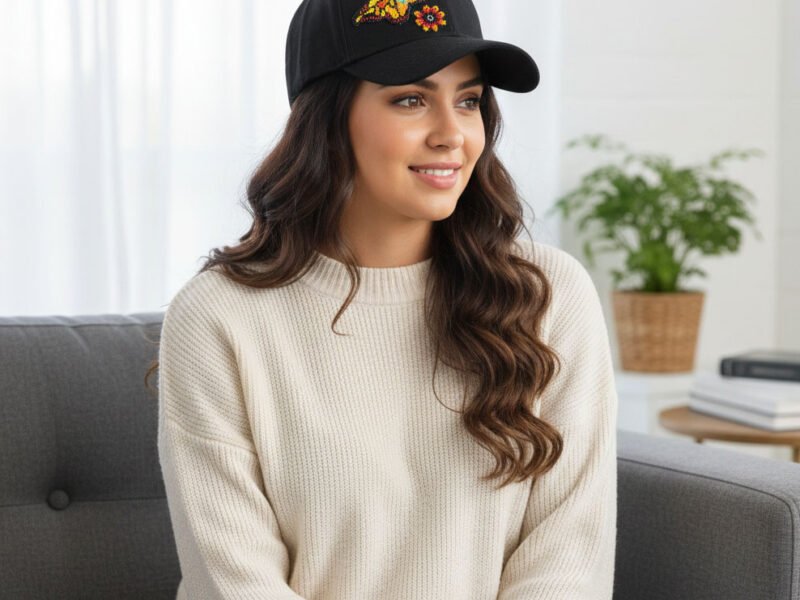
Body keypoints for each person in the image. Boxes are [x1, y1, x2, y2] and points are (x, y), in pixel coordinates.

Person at [153, 0, 618, 598]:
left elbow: (568, 561)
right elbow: (234, 581)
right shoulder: (219, 317)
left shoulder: (547, 297)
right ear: (326, 116)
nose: (452, 134)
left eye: (469, 100)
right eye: (410, 99)